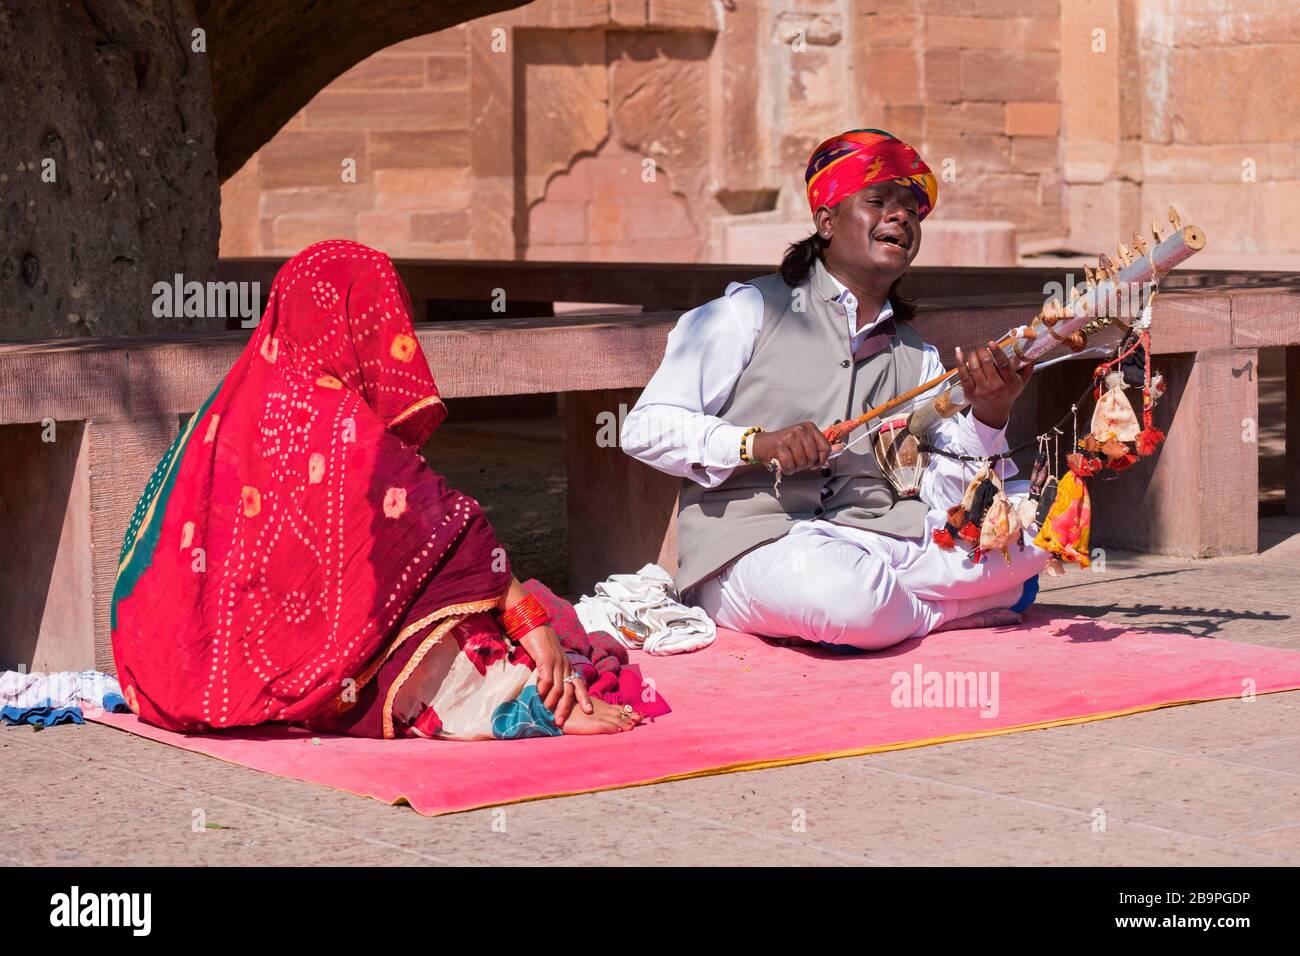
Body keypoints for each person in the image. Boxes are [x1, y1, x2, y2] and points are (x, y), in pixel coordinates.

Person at [111, 240, 645, 739]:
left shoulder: (225, 408)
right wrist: (527, 617)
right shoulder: (343, 428)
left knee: (396, 571)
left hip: (158, 675)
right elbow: (447, 531)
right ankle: (522, 699)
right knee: (423, 598)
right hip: (250, 668)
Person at [621, 129, 1049, 652]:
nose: (901, 218)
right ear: (826, 221)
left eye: (911, 210)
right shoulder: (747, 312)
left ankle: (910, 604)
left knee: (1035, 526)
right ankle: (944, 611)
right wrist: (754, 444)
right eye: (878, 202)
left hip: (876, 538)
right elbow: (644, 427)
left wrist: (989, 415)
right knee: (845, 595)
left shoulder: (917, 357)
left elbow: (944, 492)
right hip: (759, 547)